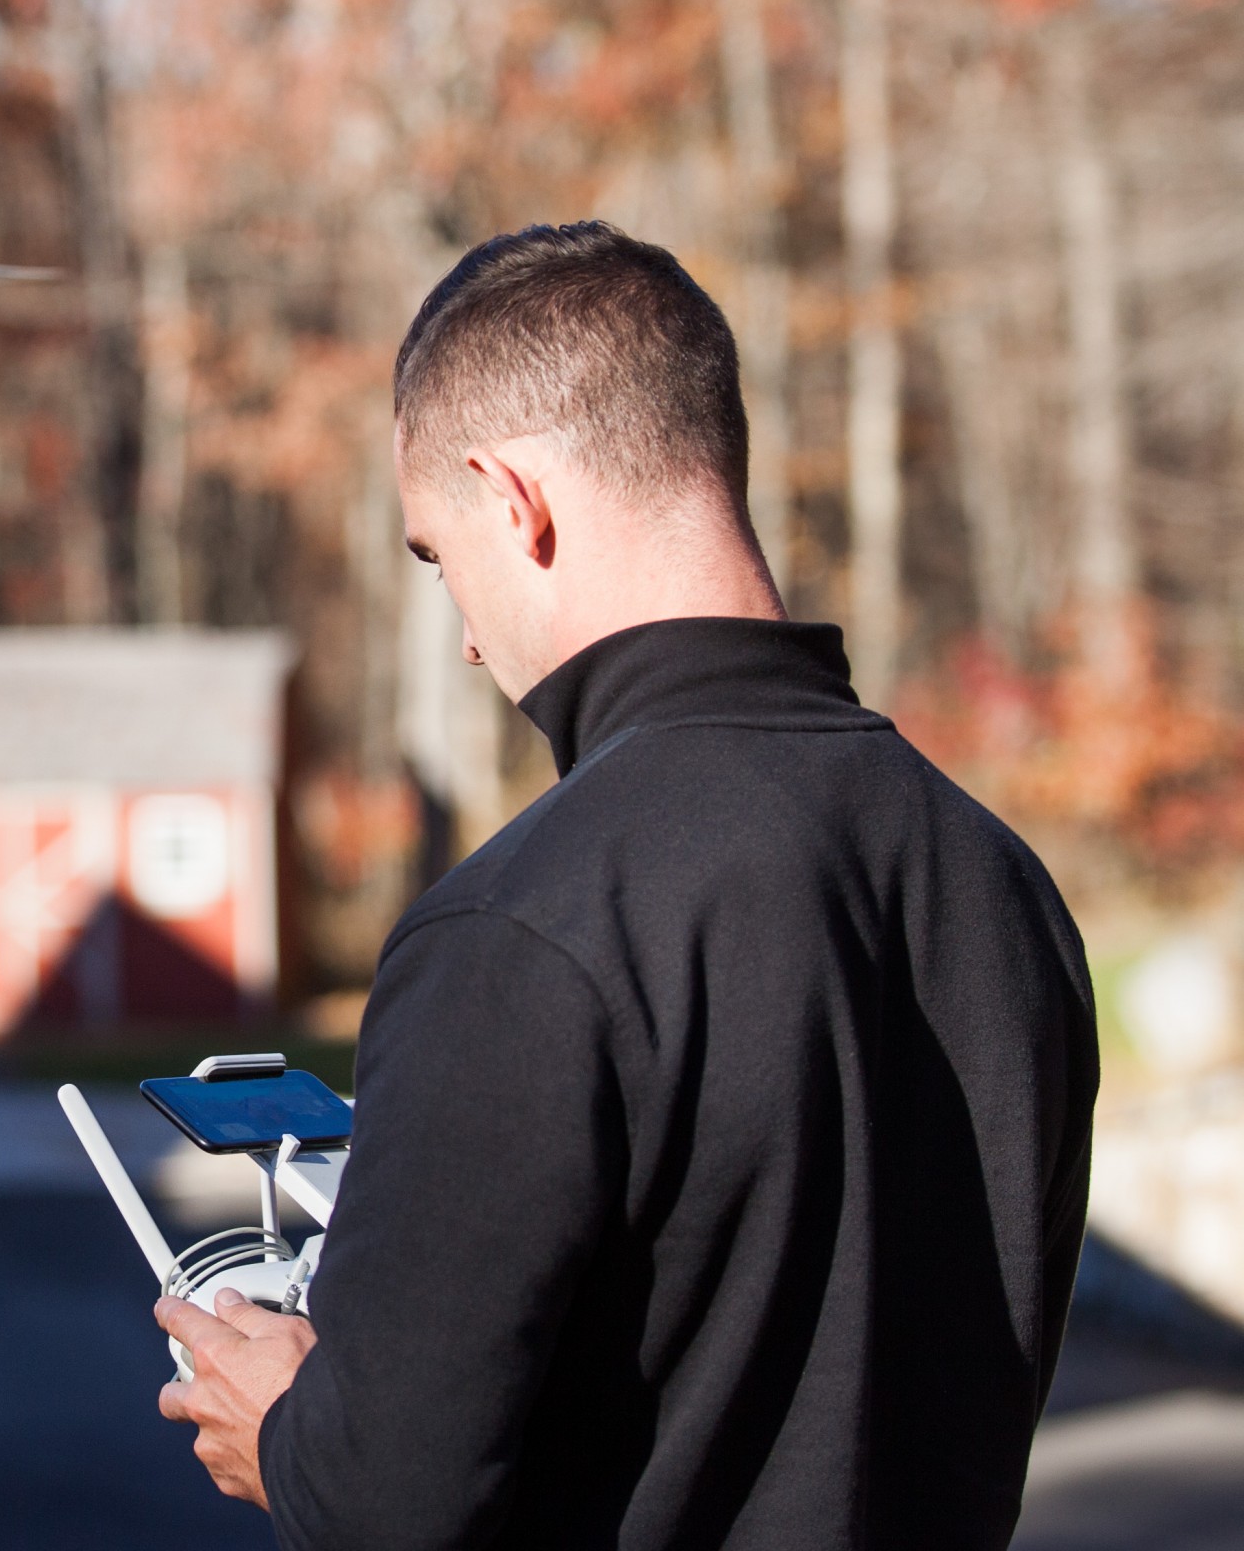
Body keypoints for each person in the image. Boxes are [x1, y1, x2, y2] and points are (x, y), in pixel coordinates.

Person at [154, 222, 1098, 1549]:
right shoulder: (1004, 888)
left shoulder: (523, 927)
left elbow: (390, 1506)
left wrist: (285, 1437)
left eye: (438, 557)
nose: (472, 640)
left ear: (514, 500)